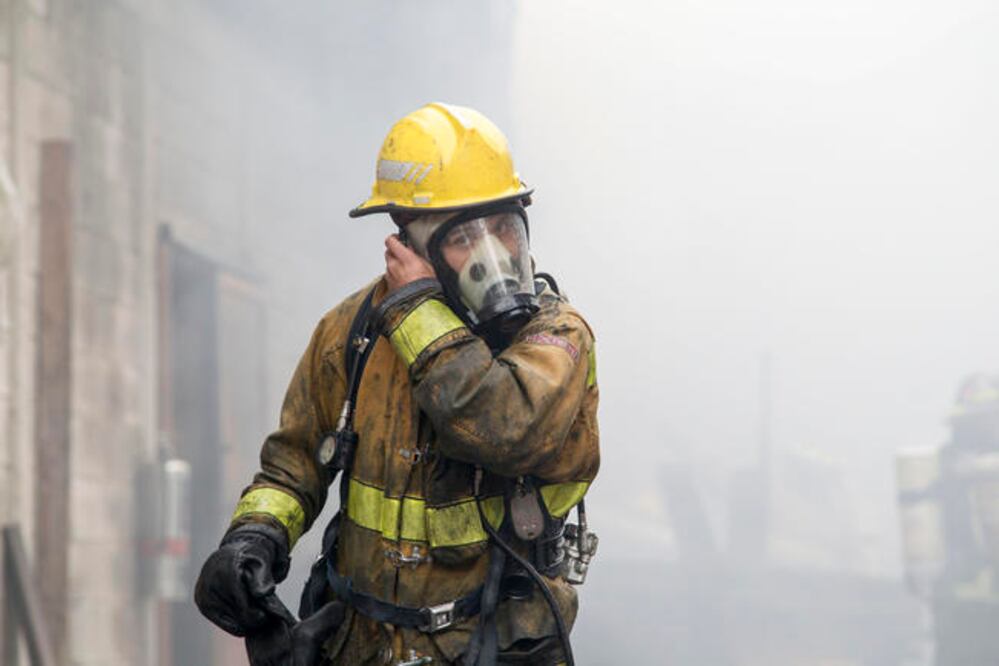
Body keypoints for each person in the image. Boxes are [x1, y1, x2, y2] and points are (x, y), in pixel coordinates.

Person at [194, 102, 600, 666]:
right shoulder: (354, 332)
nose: (497, 255)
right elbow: (293, 465)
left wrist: (418, 314)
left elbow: (505, 429)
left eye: (505, 227)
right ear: (407, 246)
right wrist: (256, 536)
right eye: (465, 238)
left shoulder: (556, 337)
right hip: (363, 646)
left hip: (497, 646)